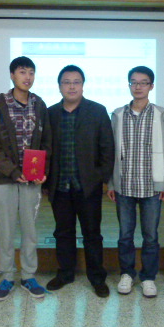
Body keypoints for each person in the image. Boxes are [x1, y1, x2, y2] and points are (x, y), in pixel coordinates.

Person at [0, 56, 51, 301]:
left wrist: (43, 170)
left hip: (32, 181)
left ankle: (29, 276)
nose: (27, 77)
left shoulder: (39, 104)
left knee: (30, 230)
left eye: (31, 72)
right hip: (5, 179)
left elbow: (47, 141)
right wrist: (12, 171)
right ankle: (7, 276)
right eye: (22, 72)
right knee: (6, 230)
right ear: (12, 75)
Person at [45, 65, 114, 298]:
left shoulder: (97, 111)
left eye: (76, 82)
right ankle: (65, 273)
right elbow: (45, 149)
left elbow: (107, 148)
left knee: (92, 234)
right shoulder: (51, 114)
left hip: (88, 186)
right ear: (59, 86)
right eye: (66, 82)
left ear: (83, 85)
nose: (71, 86)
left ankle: (97, 277)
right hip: (59, 185)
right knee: (63, 232)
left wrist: (100, 178)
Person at [107, 66, 164, 298]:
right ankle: (127, 273)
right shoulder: (117, 115)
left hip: (151, 186)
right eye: (134, 82)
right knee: (125, 235)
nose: (138, 87)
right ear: (129, 85)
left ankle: (148, 277)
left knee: (150, 236)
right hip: (124, 185)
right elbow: (111, 152)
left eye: (143, 82)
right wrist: (111, 183)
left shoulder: (162, 114)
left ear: (151, 86)